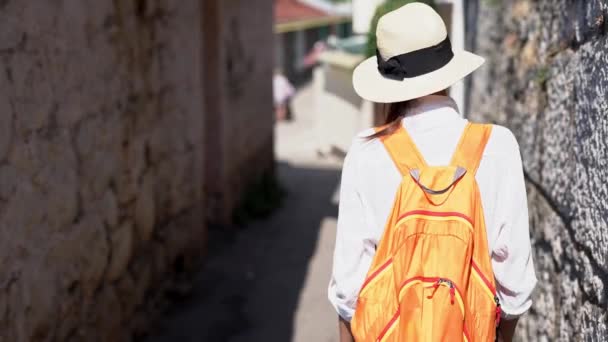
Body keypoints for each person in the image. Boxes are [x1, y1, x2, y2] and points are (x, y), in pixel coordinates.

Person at [328, 3, 537, 342]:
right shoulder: (497, 146)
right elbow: (515, 283)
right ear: (448, 69)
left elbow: (349, 290)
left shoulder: (366, 151)